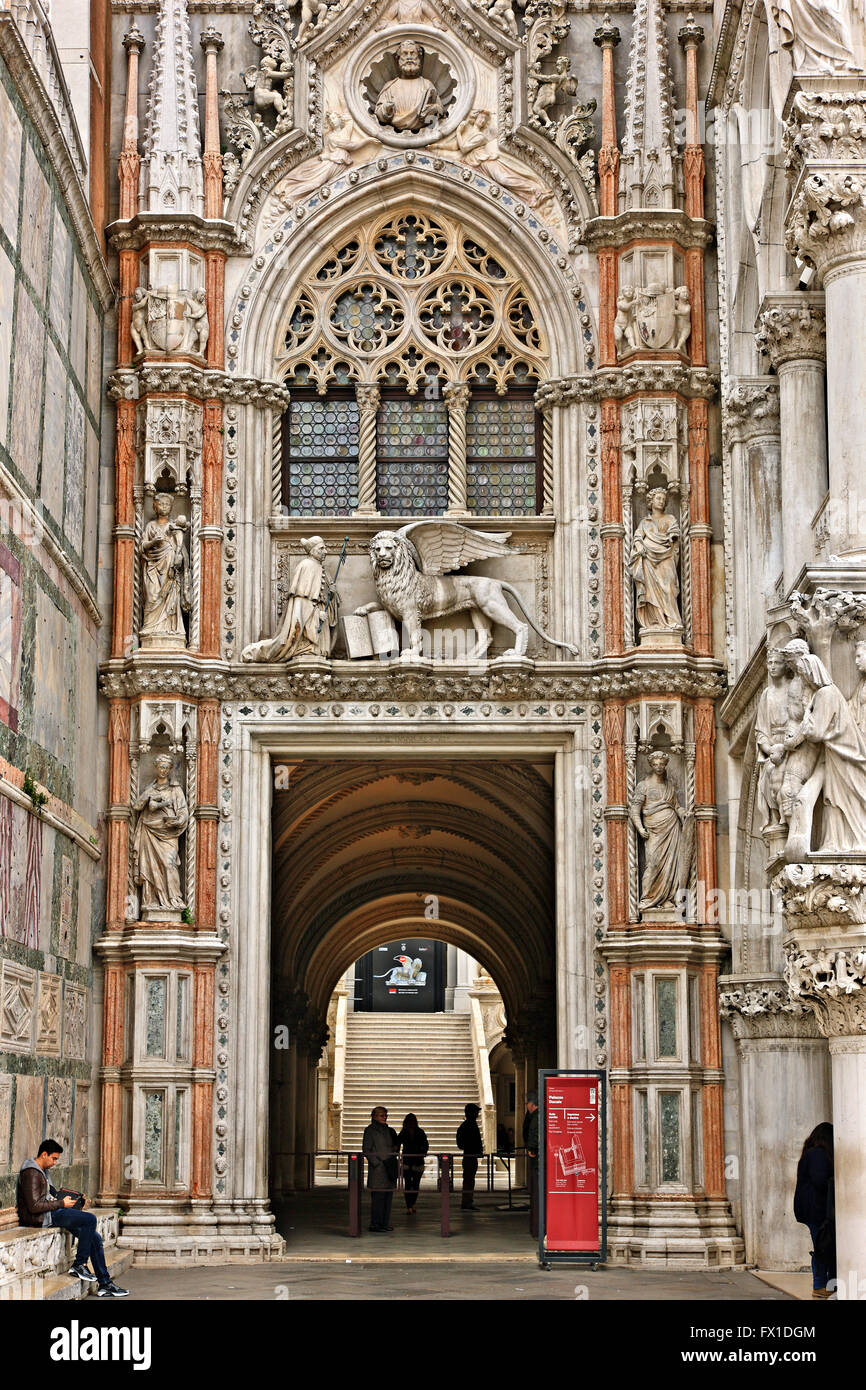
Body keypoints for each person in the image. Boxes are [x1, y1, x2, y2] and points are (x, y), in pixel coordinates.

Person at [17, 1140, 129, 1297]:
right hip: (43, 1218)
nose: (55, 1162)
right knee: (90, 1220)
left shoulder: (42, 1171)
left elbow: (52, 1195)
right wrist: (61, 1203)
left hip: (52, 1212)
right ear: (44, 1155)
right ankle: (79, 1265)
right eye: (54, 1158)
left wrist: (75, 1201)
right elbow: (34, 1206)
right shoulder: (31, 1173)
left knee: (95, 1238)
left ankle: (105, 1284)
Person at [794, 1122, 836, 1299]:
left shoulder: (811, 1153)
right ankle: (821, 1286)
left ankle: (828, 1284)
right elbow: (820, 1180)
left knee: (824, 1247)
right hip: (816, 1210)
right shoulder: (818, 1154)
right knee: (824, 1248)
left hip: (813, 1209)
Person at [362, 1105, 399, 1232]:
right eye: (382, 1115)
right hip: (378, 1170)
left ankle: (384, 1223)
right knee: (378, 1198)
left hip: (389, 1167)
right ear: (374, 1116)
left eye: (385, 1115)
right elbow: (366, 1149)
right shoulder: (370, 1131)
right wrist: (377, 1163)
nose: (384, 1117)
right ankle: (375, 1224)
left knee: (388, 1198)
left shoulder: (388, 1130)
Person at [396, 1113, 429, 1215]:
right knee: (413, 1185)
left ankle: (410, 1205)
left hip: (411, 1161)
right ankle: (410, 1205)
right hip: (414, 1161)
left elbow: (397, 1145)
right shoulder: (419, 1132)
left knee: (411, 1185)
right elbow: (426, 1145)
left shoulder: (404, 1132)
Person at [456, 1102, 483, 1210]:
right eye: (476, 1111)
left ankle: (467, 1201)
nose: (477, 1114)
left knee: (469, 1179)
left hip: (470, 1155)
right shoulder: (469, 1125)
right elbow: (462, 1143)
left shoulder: (469, 1125)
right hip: (469, 1156)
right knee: (468, 1180)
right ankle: (467, 1202)